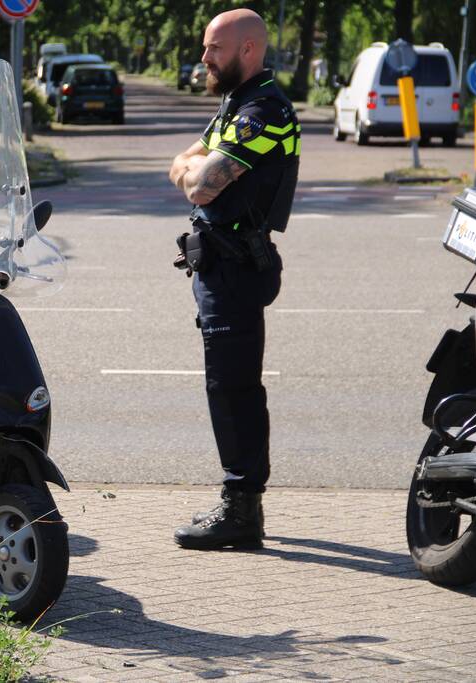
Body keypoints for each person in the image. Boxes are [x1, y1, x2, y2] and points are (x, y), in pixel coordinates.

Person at [168, 9, 300, 550]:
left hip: (238, 270)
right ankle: (241, 503)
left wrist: (192, 173)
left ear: (248, 49)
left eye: (214, 49)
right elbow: (189, 162)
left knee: (234, 390)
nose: (204, 58)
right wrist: (191, 170)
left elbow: (201, 185)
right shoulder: (236, 103)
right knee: (226, 386)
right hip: (218, 265)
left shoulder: (264, 111)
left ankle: (242, 510)